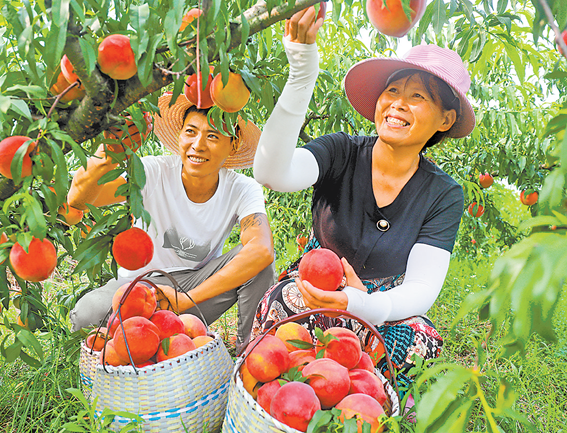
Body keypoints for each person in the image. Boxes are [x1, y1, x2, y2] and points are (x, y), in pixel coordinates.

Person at [250, 7, 475, 390]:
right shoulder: (341, 151)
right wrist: (302, 72)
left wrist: (364, 304)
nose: (397, 104)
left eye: (417, 96)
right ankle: (279, 394)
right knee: (285, 303)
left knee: (419, 341)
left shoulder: (443, 194)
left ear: (445, 120)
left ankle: (364, 405)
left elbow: (421, 289)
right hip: (314, 287)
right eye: (392, 91)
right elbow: (272, 173)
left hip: (383, 302)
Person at [68, 93, 275, 353]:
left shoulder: (242, 189)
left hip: (193, 291)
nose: (198, 145)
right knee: (87, 315)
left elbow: (262, 249)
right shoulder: (153, 172)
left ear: (233, 145)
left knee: (259, 265)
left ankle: (251, 353)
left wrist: (185, 299)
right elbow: (80, 199)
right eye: (191, 131)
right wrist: (107, 155)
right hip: (137, 287)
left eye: (212, 136)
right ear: (179, 136)